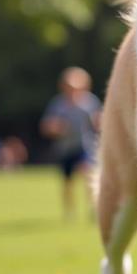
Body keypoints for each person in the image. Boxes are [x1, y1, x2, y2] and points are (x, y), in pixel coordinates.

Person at [40, 67, 101, 220]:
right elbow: (46, 126)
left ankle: (94, 207)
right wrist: (56, 128)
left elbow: (99, 121)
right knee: (67, 182)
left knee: (88, 173)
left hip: (84, 146)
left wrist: (100, 122)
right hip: (64, 149)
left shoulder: (89, 102)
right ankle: (69, 212)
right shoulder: (58, 104)